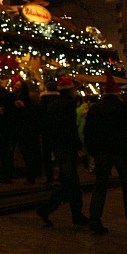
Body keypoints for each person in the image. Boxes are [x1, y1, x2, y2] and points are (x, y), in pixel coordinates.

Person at [84, 77, 127, 234]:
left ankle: (95, 218)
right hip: (121, 151)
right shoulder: (124, 108)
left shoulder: (95, 109)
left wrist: (94, 151)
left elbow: (88, 133)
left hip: (102, 152)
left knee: (100, 185)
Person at [35, 76, 90, 227]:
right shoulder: (69, 106)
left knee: (69, 184)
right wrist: (78, 147)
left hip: (57, 146)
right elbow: (70, 129)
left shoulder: (52, 106)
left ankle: (47, 210)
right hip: (66, 148)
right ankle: (75, 215)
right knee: (72, 183)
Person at [13, 78, 42, 185]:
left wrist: (24, 107)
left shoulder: (29, 100)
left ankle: (31, 175)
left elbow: (33, 114)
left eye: (19, 85)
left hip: (27, 129)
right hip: (20, 129)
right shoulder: (13, 98)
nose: (16, 87)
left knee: (28, 153)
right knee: (26, 152)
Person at [38, 80, 59, 183]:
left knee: (46, 154)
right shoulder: (60, 100)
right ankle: (62, 174)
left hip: (45, 130)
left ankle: (49, 176)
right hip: (58, 131)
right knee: (59, 153)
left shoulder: (42, 100)